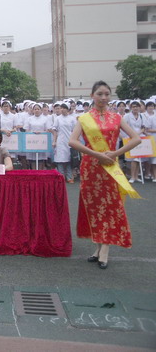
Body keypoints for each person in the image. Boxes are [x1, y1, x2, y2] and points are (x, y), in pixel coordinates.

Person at [69, 81, 141, 270]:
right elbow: (72, 141)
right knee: (93, 206)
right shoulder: (84, 118)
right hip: (90, 167)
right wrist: (96, 154)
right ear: (92, 96)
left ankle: (105, 248)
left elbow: (136, 139)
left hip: (110, 166)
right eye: (99, 94)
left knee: (110, 205)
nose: (103, 97)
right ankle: (98, 246)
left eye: (107, 94)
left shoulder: (117, 118)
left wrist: (115, 153)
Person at [51, 102, 77, 183]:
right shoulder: (58, 119)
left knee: (69, 159)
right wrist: (54, 141)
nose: (62, 110)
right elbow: (55, 130)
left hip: (69, 140)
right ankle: (61, 177)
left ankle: (69, 177)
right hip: (60, 141)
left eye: (64, 108)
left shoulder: (72, 119)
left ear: (68, 109)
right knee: (60, 159)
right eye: (61, 108)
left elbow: (74, 131)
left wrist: (74, 141)